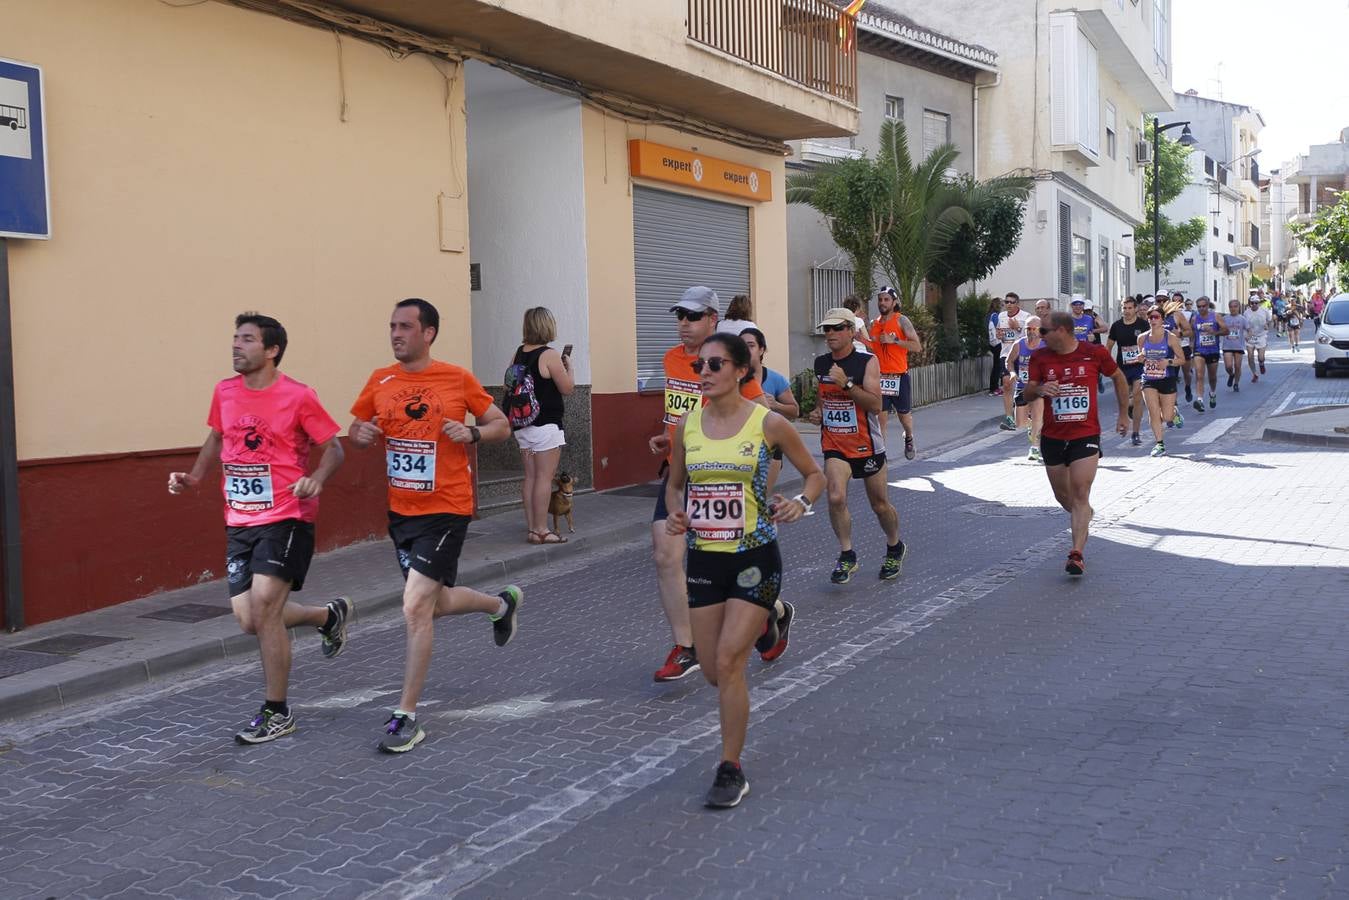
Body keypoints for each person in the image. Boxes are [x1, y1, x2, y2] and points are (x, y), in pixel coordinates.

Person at [349, 298, 522, 753]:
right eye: (392, 326)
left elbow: (501, 424)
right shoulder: (380, 380)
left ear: (429, 333)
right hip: (401, 511)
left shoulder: (456, 378)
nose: (395, 334)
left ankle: (406, 714)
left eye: (405, 326)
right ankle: (500, 606)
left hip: (446, 508)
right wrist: (360, 435)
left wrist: (475, 433)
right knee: (435, 603)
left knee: (414, 606)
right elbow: (358, 427)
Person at [168, 313, 348, 745]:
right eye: (234, 338)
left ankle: (277, 711)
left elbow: (334, 449)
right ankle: (327, 616)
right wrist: (195, 477)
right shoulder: (224, 392)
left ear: (272, 350)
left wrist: (317, 478)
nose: (236, 346)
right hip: (240, 518)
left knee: (266, 605)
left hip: (288, 514)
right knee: (250, 619)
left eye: (246, 339)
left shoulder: (299, 396)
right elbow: (216, 438)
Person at [664, 333, 825, 808]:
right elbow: (674, 487)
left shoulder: (768, 423)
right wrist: (676, 512)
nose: (705, 373)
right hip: (704, 558)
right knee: (713, 670)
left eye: (715, 364)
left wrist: (799, 502)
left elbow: (813, 475)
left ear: (740, 370)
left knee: (732, 663)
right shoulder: (687, 427)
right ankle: (772, 617)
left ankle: (730, 767)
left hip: (754, 556)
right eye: (700, 367)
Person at [648, 286, 766, 682]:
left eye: (693, 316)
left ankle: (773, 614)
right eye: (679, 315)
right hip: (680, 475)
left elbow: (760, 415)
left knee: (730, 571)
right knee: (665, 555)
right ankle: (687, 647)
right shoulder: (670, 359)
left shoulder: (731, 360)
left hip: (722, 479)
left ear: (713, 319)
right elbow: (679, 413)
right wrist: (668, 438)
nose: (684, 323)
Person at [1021, 312, 1129, 576]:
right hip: (1053, 436)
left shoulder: (1093, 353)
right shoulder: (1039, 357)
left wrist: (1124, 413)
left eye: (1044, 331)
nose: (1039, 336)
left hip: (1085, 434)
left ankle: (1076, 553)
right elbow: (1026, 392)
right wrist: (1040, 390)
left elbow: (1118, 377)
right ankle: (1083, 515)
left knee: (1080, 491)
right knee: (1063, 496)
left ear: (1062, 331)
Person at [809, 307, 906, 583]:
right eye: (826, 329)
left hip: (867, 444)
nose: (830, 334)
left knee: (879, 504)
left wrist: (847, 384)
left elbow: (876, 405)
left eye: (837, 328)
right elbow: (823, 398)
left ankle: (894, 545)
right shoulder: (820, 363)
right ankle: (847, 554)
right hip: (835, 443)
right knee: (836, 497)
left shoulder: (867, 361)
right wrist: (818, 413)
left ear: (851, 331)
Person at [505, 307, 574, 545]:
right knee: (545, 478)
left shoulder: (518, 354)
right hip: (546, 427)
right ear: (547, 326)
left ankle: (532, 529)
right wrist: (570, 368)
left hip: (523, 427)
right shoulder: (550, 355)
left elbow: (508, 387)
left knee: (531, 477)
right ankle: (543, 530)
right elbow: (567, 388)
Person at [866, 285, 923, 461]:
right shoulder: (874, 324)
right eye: (880, 299)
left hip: (899, 377)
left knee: (904, 416)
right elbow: (873, 347)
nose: (882, 303)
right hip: (880, 378)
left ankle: (909, 436)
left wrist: (895, 340)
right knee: (880, 418)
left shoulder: (902, 320)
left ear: (894, 302)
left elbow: (917, 346)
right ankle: (881, 456)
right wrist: (862, 340)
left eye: (886, 299)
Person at [740, 327, 799, 496]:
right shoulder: (730, 379)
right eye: (741, 345)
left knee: (758, 500)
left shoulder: (775, 379)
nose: (745, 350)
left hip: (768, 449)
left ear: (761, 350)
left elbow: (795, 411)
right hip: (738, 447)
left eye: (750, 345)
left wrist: (776, 406)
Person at [1138, 307, 1187, 457]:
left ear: (1162, 319)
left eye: (1156, 317)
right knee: (1153, 413)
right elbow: (1143, 357)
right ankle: (1160, 444)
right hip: (1149, 379)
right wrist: (1142, 358)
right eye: (1150, 317)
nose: (1153, 320)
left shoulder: (1170, 337)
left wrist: (1169, 361)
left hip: (1167, 378)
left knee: (1166, 417)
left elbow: (1182, 360)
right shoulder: (1142, 338)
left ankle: (1174, 412)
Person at [1105, 296, 1151, 446]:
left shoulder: (1143, 325)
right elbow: (1109, 347)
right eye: (1124, 308)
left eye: (1130, 308)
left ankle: (1136, 433)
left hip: (1139, 367)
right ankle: (1129, 407)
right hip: (1122, 368)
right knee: (1126, 400)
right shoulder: (1117, 326)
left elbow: (1150, 344)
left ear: (1136, 309)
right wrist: (1106, 364)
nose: (1127, 311)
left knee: (1137, 395)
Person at [1005, 316, 1045, 462]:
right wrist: (1012, 372)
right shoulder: (1019, 344)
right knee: (1019, 423)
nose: (1031, 331)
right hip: (1022, 386)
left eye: (1034, 328)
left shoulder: (1046, 345)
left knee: (1038, 417)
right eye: (1028, 328)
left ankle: (1034, 448)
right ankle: (1029, 426)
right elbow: (1009, 361)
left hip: (1038, 387)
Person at [995, 293, 1031, 430]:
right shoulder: (1001, 316)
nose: (1009, 304)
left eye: (1011, 302)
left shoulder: (1025, 316)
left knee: (1024, 385)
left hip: (1022, 354)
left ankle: (1027, 413)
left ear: (1018, 303)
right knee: (1007, 383)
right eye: (1006, 302)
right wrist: (999, 335)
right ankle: (1009, 418)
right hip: (1006, 354)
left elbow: (1030, 335)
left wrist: (1018, 328)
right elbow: (1000, 333)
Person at [1188, 296, 1227, 412]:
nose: (1201, 309)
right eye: (1199, 307)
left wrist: (1214, 332)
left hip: (1213, 350)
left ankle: (1213, 393)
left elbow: (1226, 330)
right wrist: (1191, 343)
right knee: (1199, 375)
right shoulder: (1195, 319)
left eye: (1203, 306)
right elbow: (1191, 332)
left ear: (1208, 305)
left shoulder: (1215, 316)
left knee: (1212, 377)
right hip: (1199, 350)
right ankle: (1199, 400)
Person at [1168, 291, 1197, 404]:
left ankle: (1188, 387)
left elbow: (1191, 332)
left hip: (1184, 346)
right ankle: (1173, 400)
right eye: (1174, 300)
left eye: (1179, 301)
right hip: (1172, 348)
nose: (1176, 302)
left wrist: (1180, 334)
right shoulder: (1167, 314)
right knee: (1173, 375)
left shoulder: (1187, 314)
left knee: (1186, 373)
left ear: (1182, 303)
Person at [1243, 295, 1272, 381]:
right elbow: (1244, 325)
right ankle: (1254, 373)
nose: (1254, 305)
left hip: (1261, 335)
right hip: (1250, 336)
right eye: (1252, 303)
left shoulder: (1264, 310)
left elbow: (1270, 320)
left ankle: (1261, 364)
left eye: (1256, 303)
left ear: (1259, 303)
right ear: (1250, 304)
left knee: (1261, 357)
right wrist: (1246, 334)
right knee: (1250, 356)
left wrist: (1268, 325)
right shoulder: (1246, 313)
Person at [1221, 299, 1248, 391]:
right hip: (1227, 345)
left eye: (1235, 306)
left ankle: (1236, 383)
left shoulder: (1242, 319)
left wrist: (1248, 336)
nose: (1233, 309)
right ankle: (1231, 375)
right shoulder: (1224, 318)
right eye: (1231, 307)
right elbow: (1219, 328)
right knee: (1228, 366)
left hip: (1238, 346)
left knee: (1237, 366)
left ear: (1238, 307)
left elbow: (1249, 329)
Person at [986, 296, 1006, 396]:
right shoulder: (996, 316)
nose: (1003, 306)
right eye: (1002, 304)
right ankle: (994, 388)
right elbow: (999, 328)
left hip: (991, 343)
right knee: (997, 366)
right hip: (997, 343)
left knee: (997, 365)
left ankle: (994, 388)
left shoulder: (989, 315)